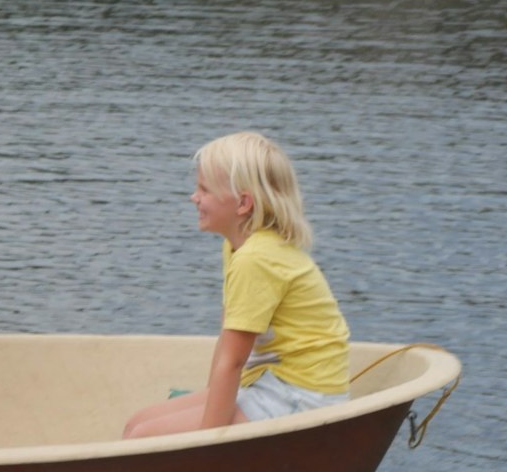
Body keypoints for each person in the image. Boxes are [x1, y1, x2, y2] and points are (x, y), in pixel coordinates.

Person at [123, 131, 350, 439]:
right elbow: (227, 339)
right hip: (271, 381)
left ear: (243, 203)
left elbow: (233, 360)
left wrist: (207, 439)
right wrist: (206, 405)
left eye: (204, 189)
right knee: (137, 424)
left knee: (143, 437)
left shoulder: (256, 259)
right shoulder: (238, 246)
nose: (194, 197)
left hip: (303, 395)